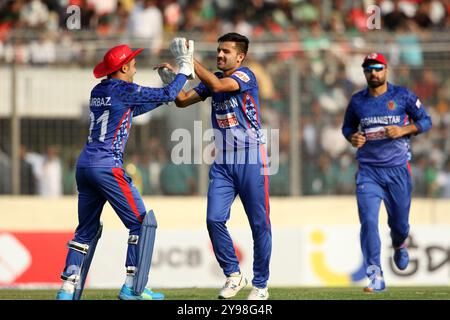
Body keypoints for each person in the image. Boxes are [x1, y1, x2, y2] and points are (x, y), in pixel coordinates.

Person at [56, 42, 194, 300]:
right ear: (123, 67)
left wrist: (167, 93)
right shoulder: (124, 89)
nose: (135, 67)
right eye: (132, 63)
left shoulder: (98, 90)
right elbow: (147, 99)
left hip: (85, 165)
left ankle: (67, 288)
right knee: (142, 224)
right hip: (107, 166)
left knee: (85, 230)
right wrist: (183, 72)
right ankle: (133, 286)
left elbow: (135, 109)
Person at [156, 33, 271, 300]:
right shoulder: (215, 80)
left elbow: (219, 88)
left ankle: (261, 285)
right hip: (223, 161)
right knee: (213, 219)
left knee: (260, 225)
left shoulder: (245, 77)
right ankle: (233, 274)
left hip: (250, 157)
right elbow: (183, 100)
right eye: (219, 51)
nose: (220, 55)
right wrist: (174, 80)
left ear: (240, 57)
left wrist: (189, 61)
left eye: (226, 52)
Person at [341, 53, 432, 293]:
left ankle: (400, 243)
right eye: (369, 69)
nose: (374, 73)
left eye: (378, 68)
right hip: (368, 172)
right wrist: (353, 137)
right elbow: (348, 128)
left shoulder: (402, 96)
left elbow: (426, 121)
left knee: (399, 224)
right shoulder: (358, 101)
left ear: (386, 70)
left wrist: (404, 130)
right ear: (364, 72)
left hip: (398, 171)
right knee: (369, 222)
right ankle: (375, 276)